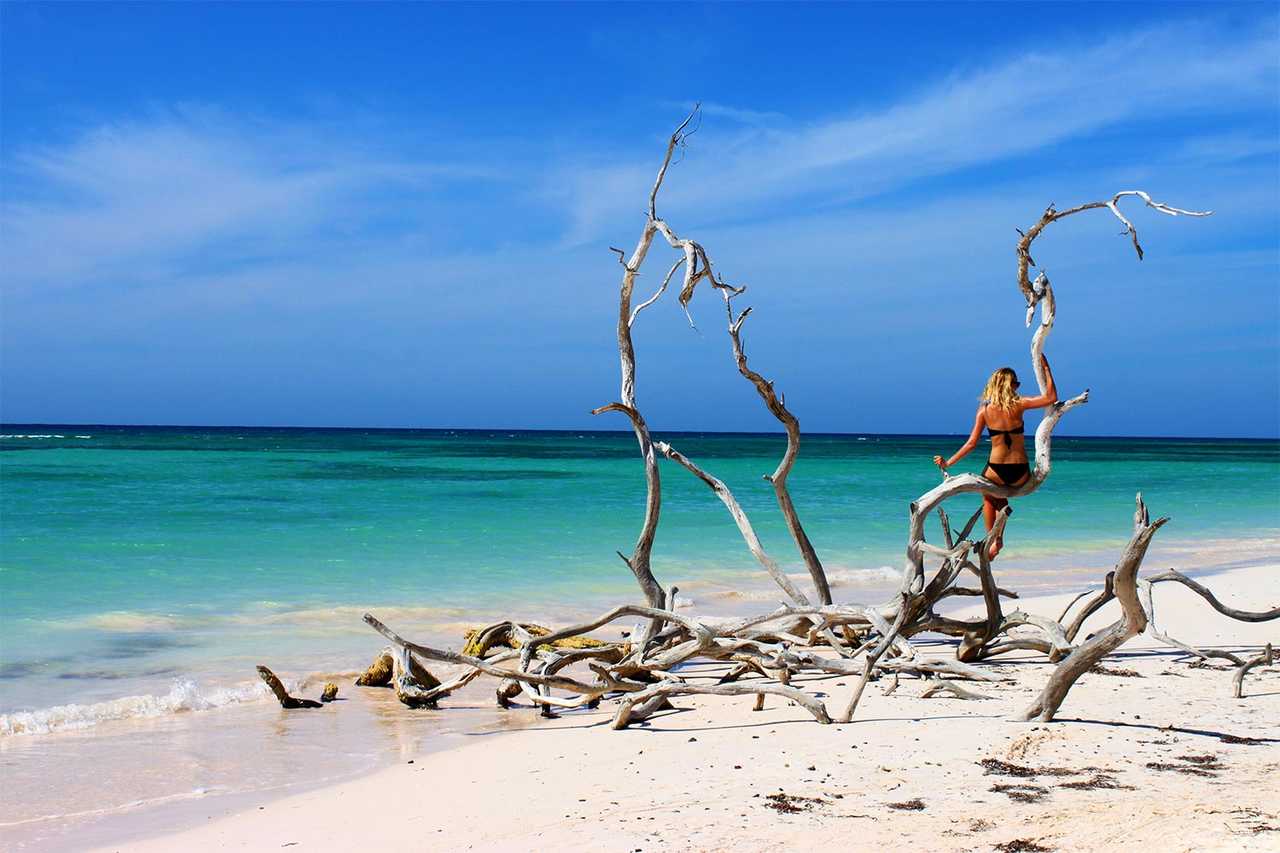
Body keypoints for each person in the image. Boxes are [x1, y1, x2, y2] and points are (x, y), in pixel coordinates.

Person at [932, 355, 1058, 560]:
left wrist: (948, 463)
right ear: (1010, 385)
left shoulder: (984, 411)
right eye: (1016, 383)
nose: (1018, 386)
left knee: (989, 496)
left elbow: (971, 443)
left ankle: (993, 539)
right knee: (1000, 497)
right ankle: (997, 538)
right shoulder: (1020, 404)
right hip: (1020, 472)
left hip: (996, 471)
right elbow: (1051, 397)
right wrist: (1046, 368)